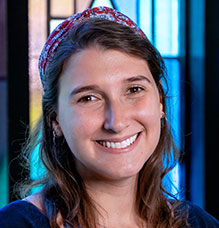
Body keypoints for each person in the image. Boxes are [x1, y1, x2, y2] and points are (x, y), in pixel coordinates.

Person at [0, 6, 218, 228]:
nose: (117, 122)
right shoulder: (16, 223)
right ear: (55, 120)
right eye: (89, 98)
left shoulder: (199, 223)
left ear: (160, 101)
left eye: (134, 90)